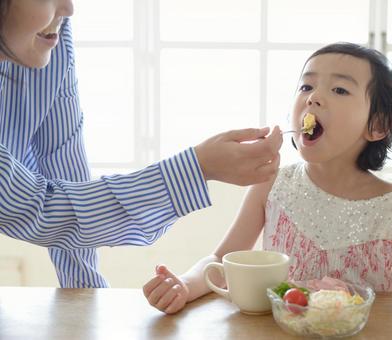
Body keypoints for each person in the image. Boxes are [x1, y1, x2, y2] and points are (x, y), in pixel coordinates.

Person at [143, 42, 392, 314]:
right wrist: (184, 285)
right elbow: (220, 261)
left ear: (377, 126)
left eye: (339, 89)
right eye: (306, 86)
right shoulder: (271, 183)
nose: (313, 98)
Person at [0, 0, 282, 288]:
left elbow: (64, 170)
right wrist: (198, 167)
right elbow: (39, 207)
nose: (69, 8)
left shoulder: (49, 37)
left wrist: (85, 302)